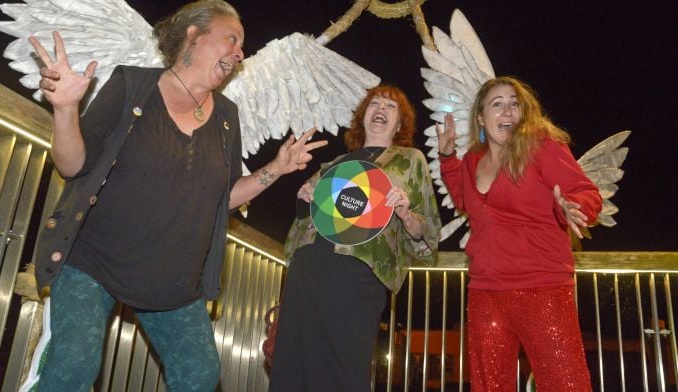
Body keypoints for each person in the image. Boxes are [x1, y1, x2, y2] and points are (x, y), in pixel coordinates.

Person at [27, 1, 327, 390]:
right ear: (193, 35)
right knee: (74, 364)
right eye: (231, 39)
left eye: (242, 46)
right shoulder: (132, 84)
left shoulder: (226, 117)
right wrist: (66, 109)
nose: (239, 53)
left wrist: (277, 168)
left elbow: (225, 198)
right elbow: (73, 166)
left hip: (171, 278)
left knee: (201, 375)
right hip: (92, 261)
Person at [269, 85, 442, 392]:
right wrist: (304, 194)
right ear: (362, 117)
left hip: (358, 275)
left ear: (400, 124)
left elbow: (425, 235)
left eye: (391, 107)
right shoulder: (335, 164)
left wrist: (406, 214)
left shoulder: (409, 161)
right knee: (293, 366)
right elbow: (303, 217)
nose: (381, 109)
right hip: (309, 268)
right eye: (375, 104)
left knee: (345, 367)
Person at [436, 76, 602, 391]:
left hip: (542, 289)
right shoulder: (472, 160)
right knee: (489, 386)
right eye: (497, 104)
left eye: (514, 104)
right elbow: (464, 199)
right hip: (485, 292)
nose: (508, 111)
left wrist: (572, 206)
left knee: (565, 384)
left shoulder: (542, 148)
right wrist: (448, 159)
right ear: (481, 118)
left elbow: (585, 192)